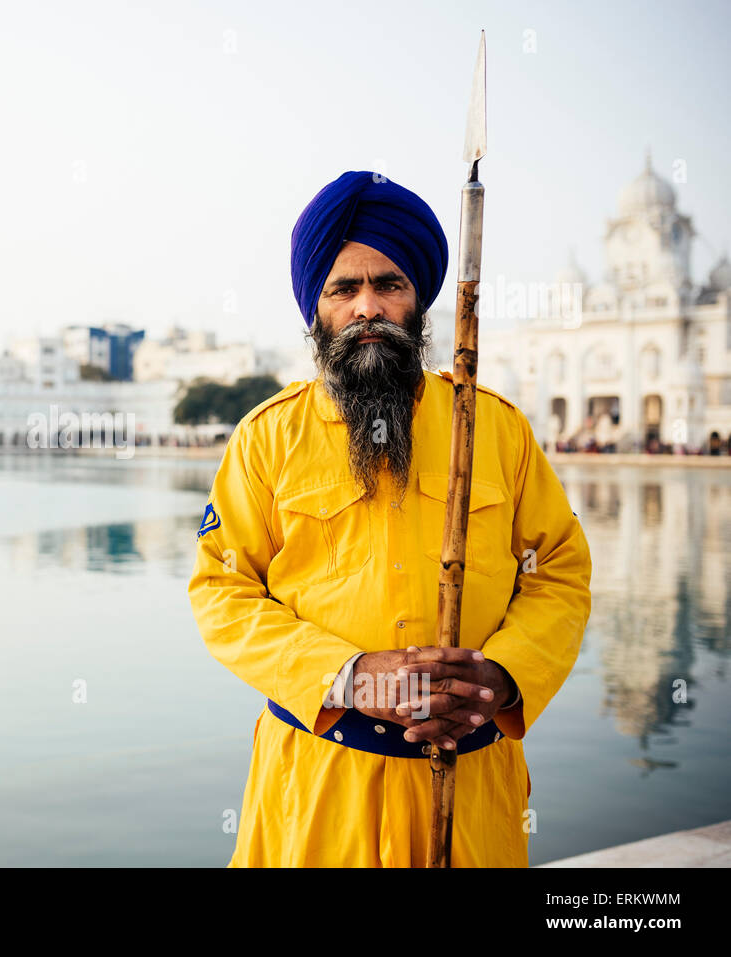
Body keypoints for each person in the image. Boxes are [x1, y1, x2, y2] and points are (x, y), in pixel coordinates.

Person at [187, 170, 592, 867]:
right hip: (320, 787)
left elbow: (558, 570)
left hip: (470, 788)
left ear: (420, 300)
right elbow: (221, 593)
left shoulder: (495, 429)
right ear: (317, 309)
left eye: (389, 284)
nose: (368, 306)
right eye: (344, 289)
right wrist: (348, 675)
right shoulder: (268, 438)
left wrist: (502, 676)